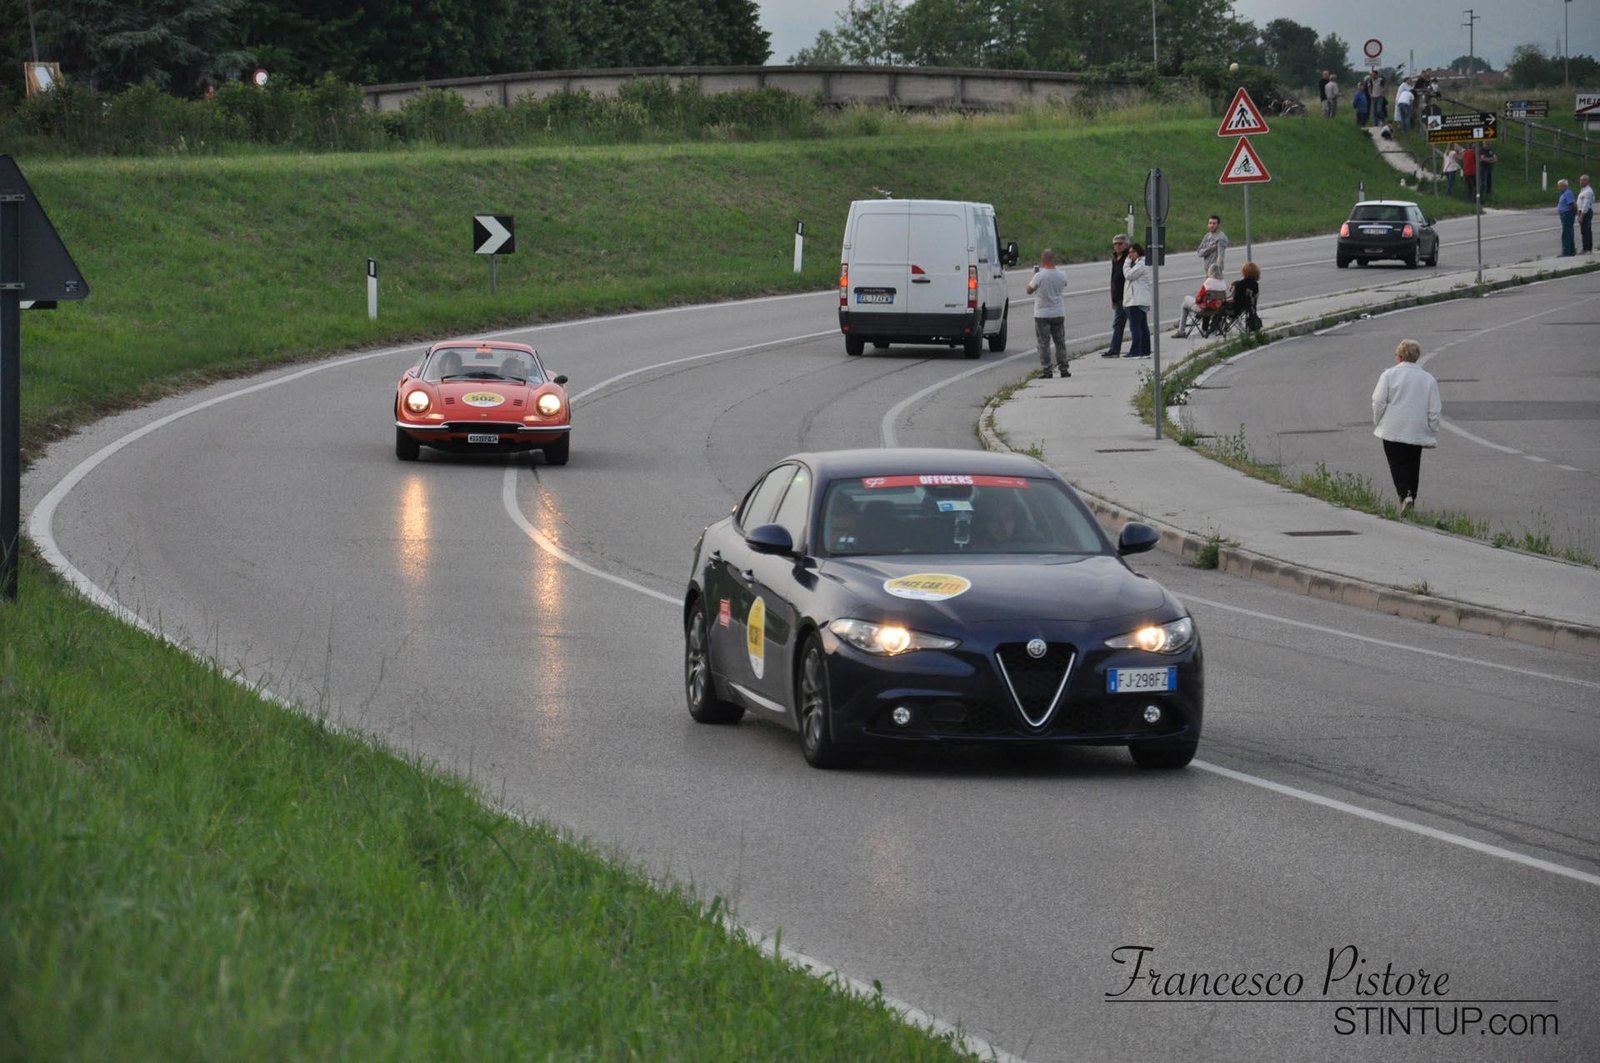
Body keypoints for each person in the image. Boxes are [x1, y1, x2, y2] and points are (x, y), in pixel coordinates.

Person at [1372, 338, 1442, 515]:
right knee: (1412, 464)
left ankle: (1404, 495)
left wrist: (1378, 420)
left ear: (1400, 356)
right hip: (1416, 429)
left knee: (1396, 464)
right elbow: (1434, 409)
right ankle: (1411, 495)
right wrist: (1432, 427)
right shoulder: (1428, 379)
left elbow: (1378, 401)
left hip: (1392, 428)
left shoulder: (1388, 375)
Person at [1026, 248, 1070, 378]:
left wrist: (1033, 276)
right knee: (1060, 342)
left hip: (1042, 314)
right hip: (1058, 312)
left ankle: (1047, 370)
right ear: (1054, 260)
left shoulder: (1039, 276)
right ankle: (1064, 368)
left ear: (1043, 260)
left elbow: (1029, 290)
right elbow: (1064, 284)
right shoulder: (1062, 275)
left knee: (1044, 343)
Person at [1172, 264, 1227, 338]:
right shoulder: (1223, 283)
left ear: (1211, 272)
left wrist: (1199, 300)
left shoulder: (1208, 283)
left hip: (1203, 309)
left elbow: (1198, 299)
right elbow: (1224, 298)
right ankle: (1197, 323)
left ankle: (1181, 331)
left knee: (1185, 300)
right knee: (1191, 302)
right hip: (1216, 310)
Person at [1122, 243, 1152, 358]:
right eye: (1129, 253)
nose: (1130, 255)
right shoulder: (1138, 263)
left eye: (1132, 252)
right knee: (1142, 325)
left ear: (1138, 252)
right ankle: (1144, 350)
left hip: (1137, 299)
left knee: (1136, 326)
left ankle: (1136, 350)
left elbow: (1129, 275)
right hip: (1136, 299)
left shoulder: (1141, 263)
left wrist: (1126, 263)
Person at [1103, 233, 1130, 357]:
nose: (1117, 246)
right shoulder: (1115, 259)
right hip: (1118, 297)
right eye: (1115, 244)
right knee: (1118, 324)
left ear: (1126, 244)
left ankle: (1140, 347)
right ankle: (1114, 349)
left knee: (1135, 323)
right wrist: (1113, 298)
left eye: (1120, 244)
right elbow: (1114, 279)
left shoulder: (1129, 258)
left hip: (1129, 297)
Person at [1226, 261, 1261, 330]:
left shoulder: (1240, 284)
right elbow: (1255, 296)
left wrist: (1224, 300)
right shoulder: (1255, 284)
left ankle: (1216, 327)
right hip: (1249, 307)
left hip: (1236, 309)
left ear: (1244, 272)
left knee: (1221, 305)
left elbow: (1235, 299)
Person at [1556, 179, 1577, 256]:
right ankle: (1572, 251)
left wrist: (1573, 212)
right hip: (1565, 214)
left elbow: (1572, 204)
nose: (1559, 188)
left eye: (1560, 186)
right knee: (1569, 233)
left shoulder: (1567, 193)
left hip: (1567, 214)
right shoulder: (1563, 193)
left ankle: (1566, 252)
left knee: (1566, 233)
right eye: (1558, 186)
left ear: (1565, 186)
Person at [1577, 174, 1594, 254]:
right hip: (1582, 212)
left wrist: (1582, 215)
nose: (1581, 182)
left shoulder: (1588, 191)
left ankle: (1587, 249)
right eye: (1580, 180)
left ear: (1588, 181)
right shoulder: (1583, 190)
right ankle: (1586, 248)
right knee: (1584, 231)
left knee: (1586, 230)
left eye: (1584, 180)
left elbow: (1586, 205)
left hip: (1585, 212)